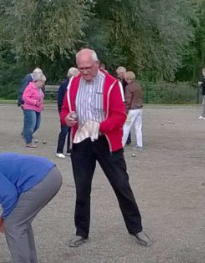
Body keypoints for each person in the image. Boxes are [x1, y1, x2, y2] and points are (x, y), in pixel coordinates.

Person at [60, 48, 151, 247]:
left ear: (97, 64)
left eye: (87, 67)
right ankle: (81, 232)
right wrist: (66, 118)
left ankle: (136, 229)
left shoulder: (112, 84)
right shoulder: (73, 83)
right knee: (82, 188)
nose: (83, 72)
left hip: (107, 141)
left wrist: (99, 127)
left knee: (121, 185)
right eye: (80, 68)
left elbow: (119, 117)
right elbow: (65, 109)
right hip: (81, 140)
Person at [55, 67, 80, 158]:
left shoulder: (76, 84)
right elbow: (60, 100)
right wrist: (61, 112)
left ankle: (70, 149)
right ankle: (59, 150)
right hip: (65, 111)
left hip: (74, 111)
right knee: (64, 131)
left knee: (71, 131)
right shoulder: (65, 84)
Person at [22, 73, 46, 148]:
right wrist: (35, 102)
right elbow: (25, 97)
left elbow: (40, 98)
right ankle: (28, 142)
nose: (43, 84)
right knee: (31, 125)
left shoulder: (39, 89)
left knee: (37, 125)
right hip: (29, 108)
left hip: (37, 109)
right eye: (42, 81)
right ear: (38, 81)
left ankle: (27, 135)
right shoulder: (30, 87)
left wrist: (41, 105)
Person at [122, 71, 144, 150]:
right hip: (140, 108)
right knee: (138, 127)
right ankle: (139, 144)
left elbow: (128, 100)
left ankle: (122, 144)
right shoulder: (138, 86)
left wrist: (125, 110)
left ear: (127, 79)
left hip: (132, 110)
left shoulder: (128, 87)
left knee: (126, 127)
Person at [116, 66, 131, 144]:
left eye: (119, 74)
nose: (118, 76)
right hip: (127, 104)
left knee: (126, 122)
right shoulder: (125, 81)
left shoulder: (125, 82)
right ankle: (126, 138)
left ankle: (126, 139)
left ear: (122, 73)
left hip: (126, 104)